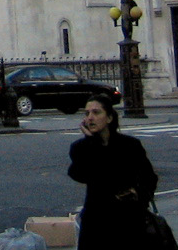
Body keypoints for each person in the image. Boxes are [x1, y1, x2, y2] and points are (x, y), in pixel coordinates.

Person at [68, 94, 158, 249]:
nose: (90, 118)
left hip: (129, 220)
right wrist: (91, 142)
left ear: (109, 118)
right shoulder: (81, 147)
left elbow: (149, 178)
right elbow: (80, 174)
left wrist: (138, 194)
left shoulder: (130, 146)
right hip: (96, 221)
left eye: (96, 113)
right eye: (87, 113)